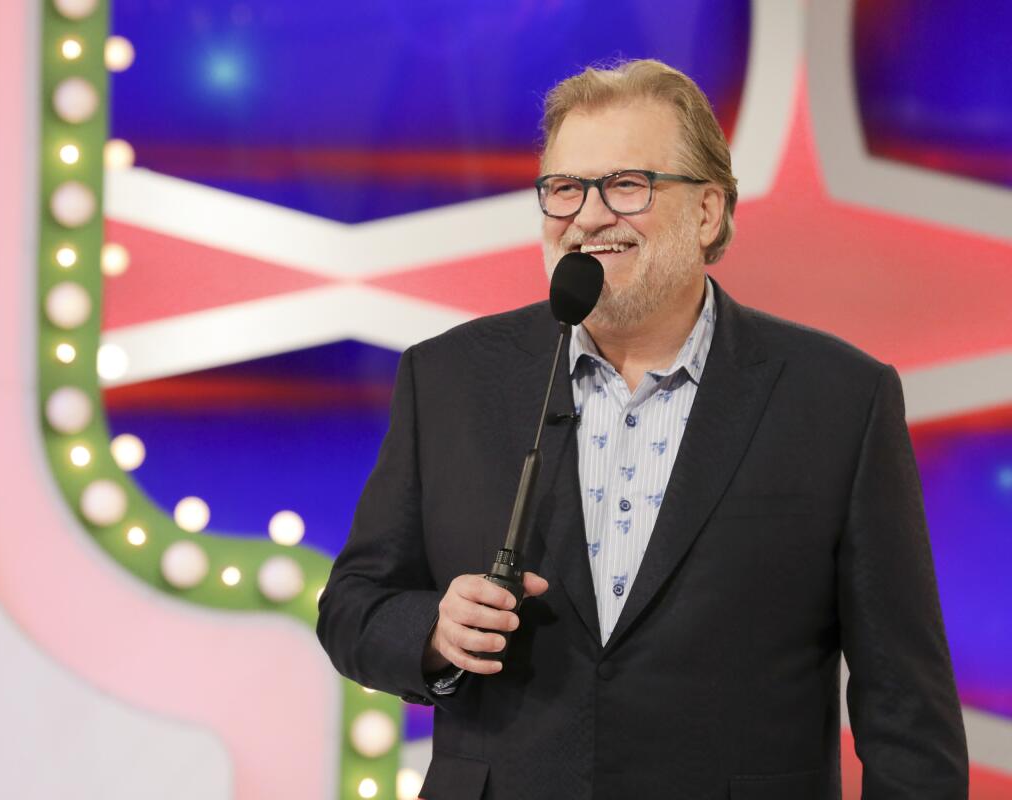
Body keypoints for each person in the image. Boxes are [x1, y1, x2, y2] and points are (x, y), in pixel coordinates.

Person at [316, 59, 967, 799]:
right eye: (564, 189)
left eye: (627, 185)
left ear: (707, 212)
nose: (587, 216)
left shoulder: (840, 399)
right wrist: (433, 631)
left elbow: (905, 706)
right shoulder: (450, 380)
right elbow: (353, 606)